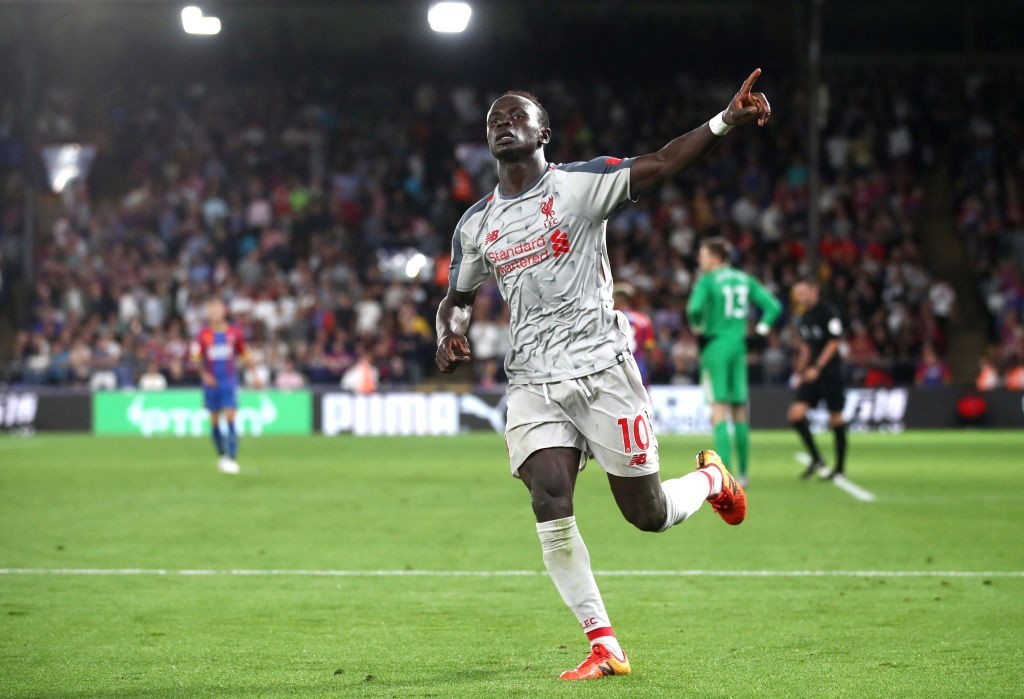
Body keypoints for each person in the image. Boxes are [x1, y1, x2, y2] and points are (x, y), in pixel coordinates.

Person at [436, 69, 771, 680]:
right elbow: (456, 296)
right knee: (547, 494)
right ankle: (604, 642)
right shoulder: (475, 225)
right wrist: (449, 330)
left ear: (544, 132)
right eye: (493, 119)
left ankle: (709, 481)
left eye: (516, 115)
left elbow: (665, 163)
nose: (502, 123)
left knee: (646, 514)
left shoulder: (580, 186)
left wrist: (725, 120)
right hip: (533, 380)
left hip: (604, 371)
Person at [686, 237, 782, 486]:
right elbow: (773, 307)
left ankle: (724, 474)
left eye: (703, 255)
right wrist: (759, 333)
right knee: (739, 410)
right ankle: (744, 473)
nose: (700, 259)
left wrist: (699, 329)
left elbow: (693, 310)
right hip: (739, 347)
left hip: (715, 346)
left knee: (719, 409)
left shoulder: (706, 281)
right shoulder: (744, 278)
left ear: (716, 258)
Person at [787, 280, 848, 480]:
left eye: (802, 292)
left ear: (814, 290)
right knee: (795, 414)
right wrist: (800, 372)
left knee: (835, 418)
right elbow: (806, 347)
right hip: (812, 373)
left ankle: (839, 468)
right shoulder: (804, 316)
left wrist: (818, 368)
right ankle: (816, 458)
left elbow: (834, 342)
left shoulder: (828, 312)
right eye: (797, 294)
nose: (800, 297)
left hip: (829, 372)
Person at [192, 299, 259, 474]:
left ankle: (232, 457)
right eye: (211, 311)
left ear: (224, 312)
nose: (215, 314)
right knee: (214, 420)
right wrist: (204, 375)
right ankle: (221, 455)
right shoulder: (203, 335)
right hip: (211, 384)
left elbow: (245, 354)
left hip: (229, 381)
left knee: (230, 417)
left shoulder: (234, 333)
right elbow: (196, 360)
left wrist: (255, 375)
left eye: (218, 310)